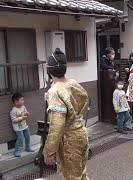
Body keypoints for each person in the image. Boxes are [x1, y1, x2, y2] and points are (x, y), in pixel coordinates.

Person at [43, 48, 90, 179]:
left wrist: (49, 151)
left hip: (70, 140)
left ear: (49, 69)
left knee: (72, 177)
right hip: (81, 132)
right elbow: (84, 99)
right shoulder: (73, 83)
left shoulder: (54, 91)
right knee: (81, 173)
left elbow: (57, 126)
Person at [10, 93, 34, 157]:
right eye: (22, 100)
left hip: (24, 125)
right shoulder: (13, 111)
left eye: (23, 100)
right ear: (16, 102)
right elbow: (13, 120)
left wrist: (26, 113)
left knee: (28, 136)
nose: (23, 101)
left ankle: (27, 147)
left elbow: (25, 112)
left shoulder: (23, 106)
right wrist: (21, 118)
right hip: (18, 127)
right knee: (20, 138)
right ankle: (16, 150)